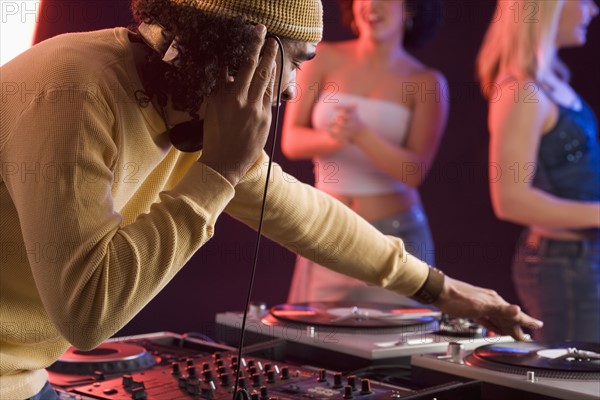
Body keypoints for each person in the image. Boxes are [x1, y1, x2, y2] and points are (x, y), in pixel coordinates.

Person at [0, 0, 541, 398]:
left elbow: (304, 214)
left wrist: (440, 289)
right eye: (295, 63)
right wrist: (217, 173)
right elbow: (87, 313)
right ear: (239, 50)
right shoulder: (73, 90)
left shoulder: (188, 105)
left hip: (26, 380)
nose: (289, 92)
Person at [283, 0, 447, 305]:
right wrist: (336, 138)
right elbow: (291, 141)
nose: (372, 5)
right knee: (313, 343)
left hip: (396, 240)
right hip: (327, 231)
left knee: (395, 346)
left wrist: (363, 135)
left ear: (410, 9)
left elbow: (413, 172)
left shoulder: (427, 83)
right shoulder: (323, 57)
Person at [477, 0, 600, 343]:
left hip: (581, 260)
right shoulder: (521, 91)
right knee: (573, 384)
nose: (592, 11)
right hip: (562, 267)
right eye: (583, 1)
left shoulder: (549, 82)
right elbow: (510, 199)